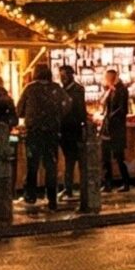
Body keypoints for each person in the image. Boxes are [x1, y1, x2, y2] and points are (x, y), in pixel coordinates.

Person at [18, 63, 65, 206]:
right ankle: (52, 197)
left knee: (32, 165)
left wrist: (30, 116)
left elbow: (19, 110)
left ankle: (30, 195)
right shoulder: (56, 88)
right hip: (51, 133)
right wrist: (56, 117)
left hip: (34, 132)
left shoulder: (30, 88)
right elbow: (67, 104)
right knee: (51, 165)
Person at [56, 65, 89, 205]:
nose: (62, 78)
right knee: (69, 160)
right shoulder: (62, 90)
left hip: (74, 130)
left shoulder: (76, 90)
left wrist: (83, 126)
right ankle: (69, 188)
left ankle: (80, 188)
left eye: (64, 76)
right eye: (61, 76)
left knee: (78, 161)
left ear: (70, 75)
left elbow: (80, 111)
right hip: (65, 131)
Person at [100, 69, 133, 190]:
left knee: (119, 157)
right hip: (107, 128)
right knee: (105, 157)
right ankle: (107, 183)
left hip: (116, 129)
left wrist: (110, 116)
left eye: (108, 77)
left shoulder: (121, 90)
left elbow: (122, 109)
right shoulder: (109, 90)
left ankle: (126, 182)